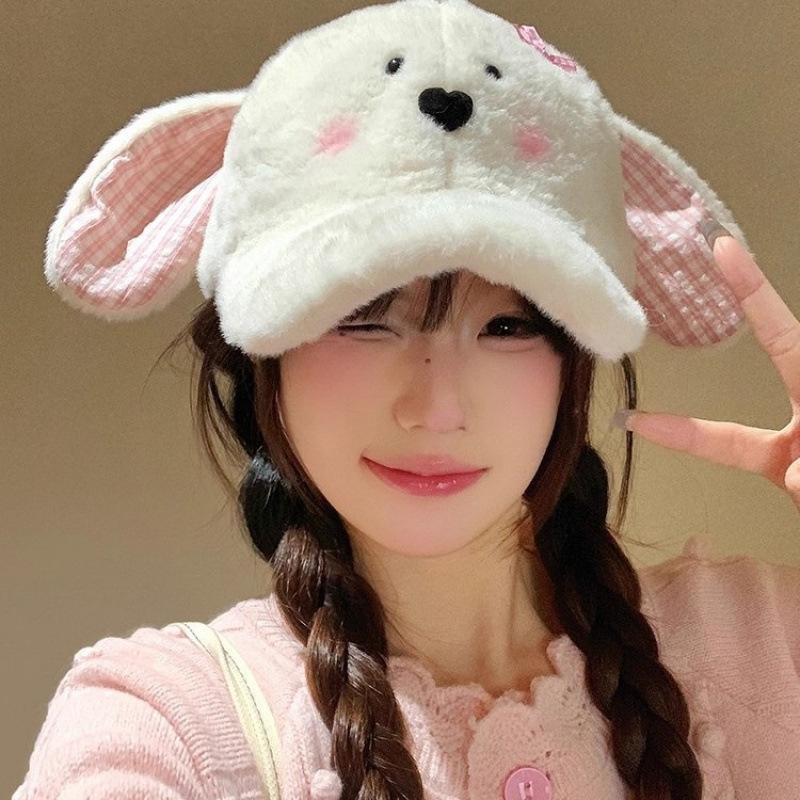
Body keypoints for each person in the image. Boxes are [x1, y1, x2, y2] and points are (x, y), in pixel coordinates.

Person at [16, 0, 799, 798]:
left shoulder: (763, 641)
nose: (436, 408)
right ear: (262, 356)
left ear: (574, 360)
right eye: (364, 318)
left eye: (506, 326)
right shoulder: (164, 720)